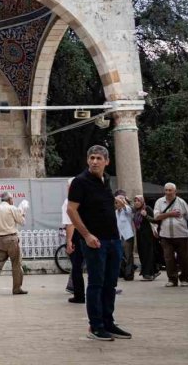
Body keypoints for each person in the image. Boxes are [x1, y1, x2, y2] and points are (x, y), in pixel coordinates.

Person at [67, 145, 131, 341]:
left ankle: (108, 322)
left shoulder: (106, 180)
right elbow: (72, 210)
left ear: (106, 161)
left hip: (113, 238)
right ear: (88, 160)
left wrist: (115, 201)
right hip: (95, 240)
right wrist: (86, 235)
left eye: (99, 158)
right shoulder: (80, 181)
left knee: (110, 283)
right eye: (92, 158)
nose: (95, 161)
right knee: (96, 283)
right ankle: (95, 326)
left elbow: (99, 204)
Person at [0, 191, 26, 296]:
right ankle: (17, 288)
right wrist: (23, 213)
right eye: (12, 199)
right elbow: (22, 222)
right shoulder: (13, 208)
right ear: (10, 199)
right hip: (11, 239)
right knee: (16, 264)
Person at [154, 182, 188, 287]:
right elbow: (156, 217)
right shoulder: (159, 202)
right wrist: (169, 214)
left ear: (175, 191)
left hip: (181, 234)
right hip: (165, 235)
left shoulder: (181, 202)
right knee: (168, 258)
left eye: (170, 190)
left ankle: (185, 278)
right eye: (166, 190)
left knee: (184, 258)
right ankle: (172, 279)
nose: (168, 192)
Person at [62, 177, 85, 302]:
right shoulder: (86, 200)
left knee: (76, 266)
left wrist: (69, 241)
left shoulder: (69, 202)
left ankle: (79, 294)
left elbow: (70, 223)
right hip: (89, 232)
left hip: (77, 234)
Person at [132, 195, 157, 281]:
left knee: (148, 253)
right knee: (142, 253)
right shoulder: (136, 211)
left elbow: (154, 220)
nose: (136, 202)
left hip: (148, 234)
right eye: (135, 201)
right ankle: (150, 272)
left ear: (142, 201)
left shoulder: (147, 208)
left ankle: (148, 273)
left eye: (138, 201)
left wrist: (146, 215)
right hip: (139, 234)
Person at [115, 193, 135, 281]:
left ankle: (129, 274)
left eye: (117, 202)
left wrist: (119, 198)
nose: (116, 204)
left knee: (128, 255)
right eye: (116, 202)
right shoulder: (116, 212)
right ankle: (122, 272)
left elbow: (123, 204)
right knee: (120, 255)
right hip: (119, 236)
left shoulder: (128, 209)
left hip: (127, 235)